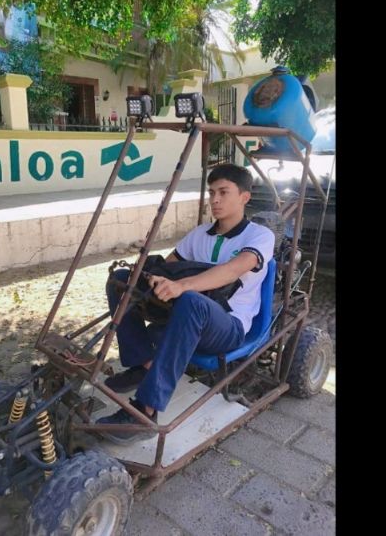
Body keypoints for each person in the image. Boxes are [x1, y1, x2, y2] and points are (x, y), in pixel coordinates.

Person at [96, 163, 275, 443]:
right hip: (187, 316)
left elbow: (233, 269)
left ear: (244, 197)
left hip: (228, 326)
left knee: (192, 301)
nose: (214, 200)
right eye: (212, 192)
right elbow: (169, 267)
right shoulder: (200, 234)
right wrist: (148, 277)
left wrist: (182, 286)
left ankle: (146, 409)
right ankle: (144, 363)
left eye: (223, 192)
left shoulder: (260, 236)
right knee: (121, 278)